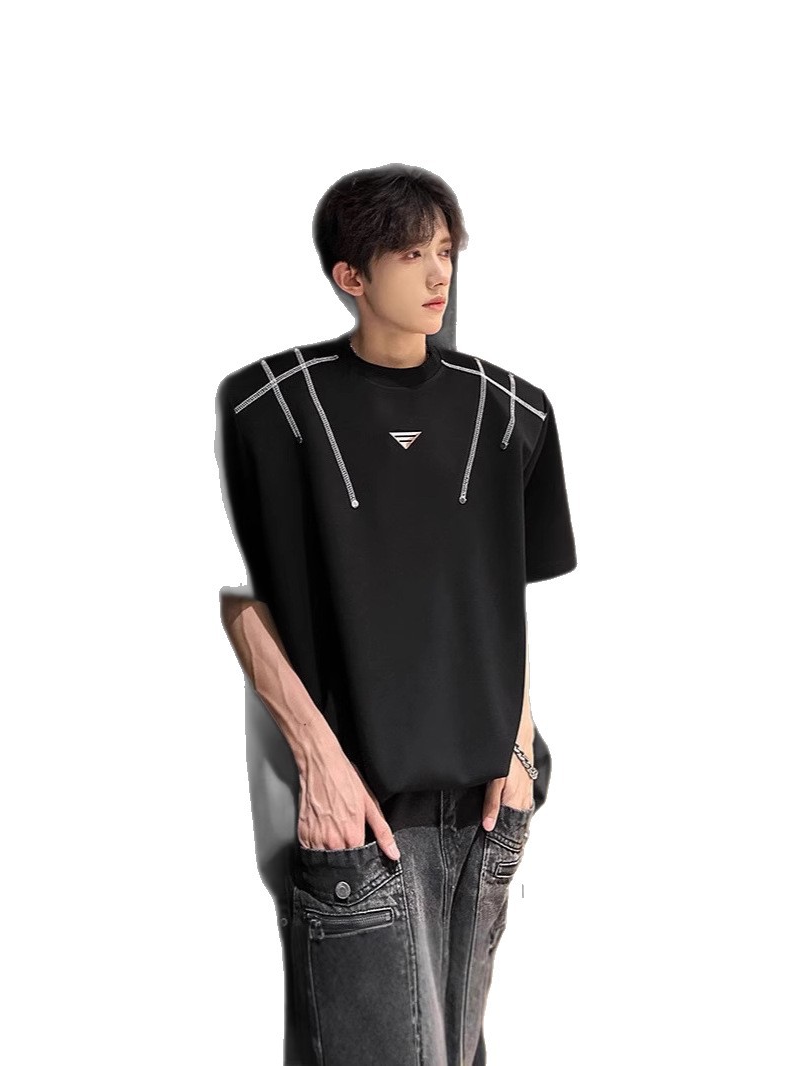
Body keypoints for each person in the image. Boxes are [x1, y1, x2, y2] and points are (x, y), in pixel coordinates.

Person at [215, 163, 577, 1066]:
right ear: (351, 275)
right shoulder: (268, 407)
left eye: (445, 250)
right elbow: (230, 595)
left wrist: (519, 752)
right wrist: (320, 762)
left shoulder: (514, 412)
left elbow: (503, 599)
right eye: (411, 254)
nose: (438, 273)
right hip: (362, 811)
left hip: (487, 810)